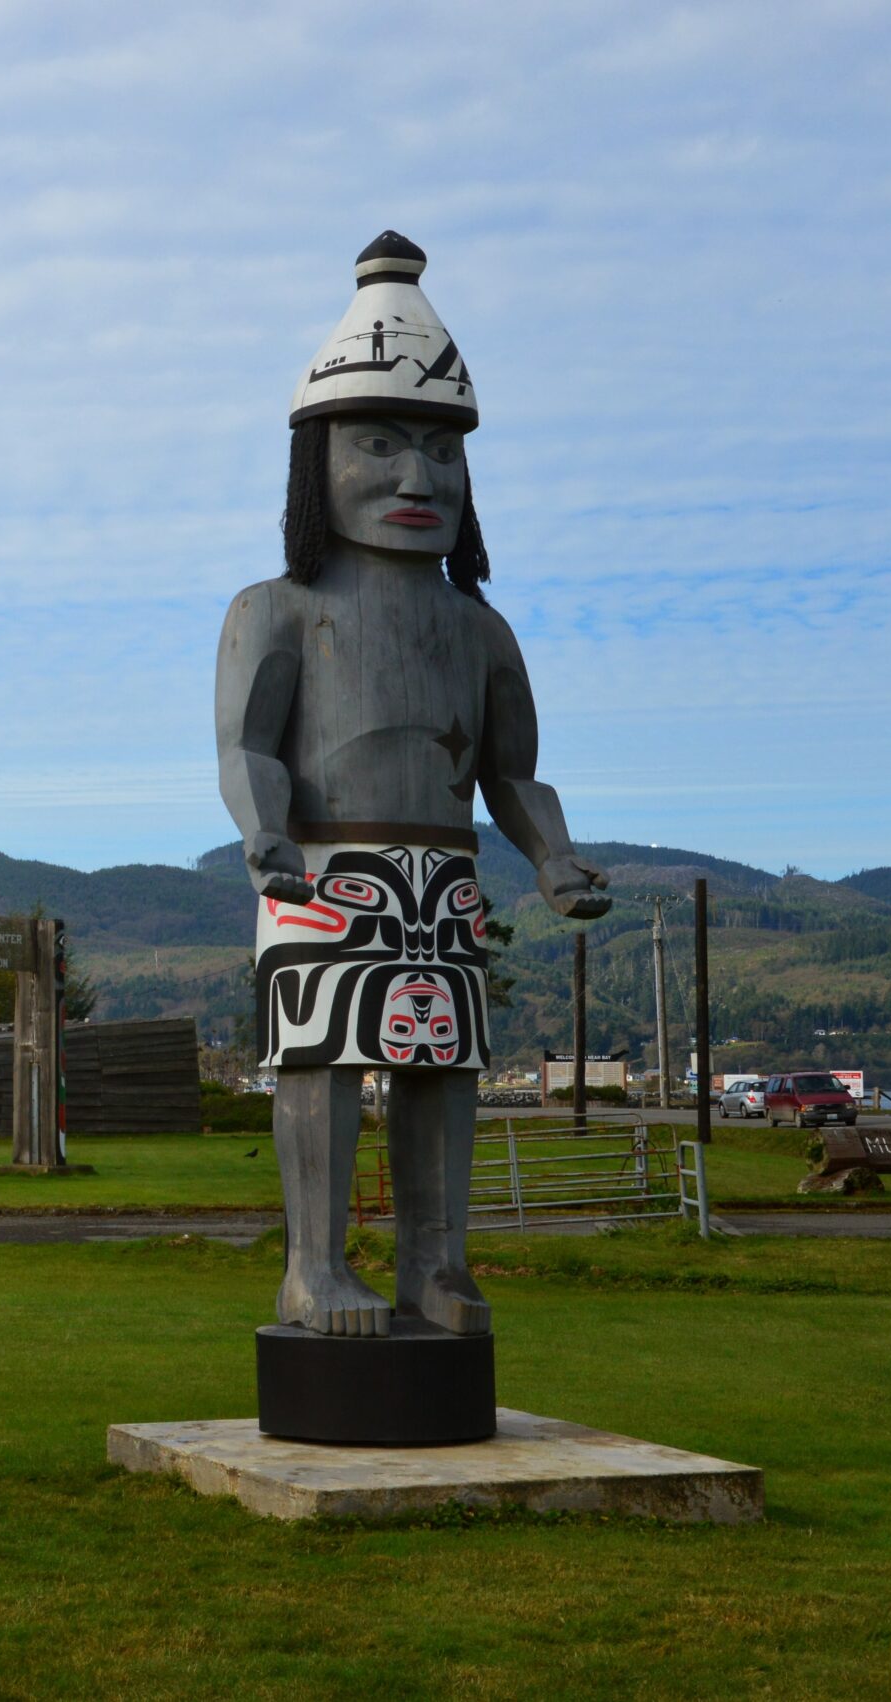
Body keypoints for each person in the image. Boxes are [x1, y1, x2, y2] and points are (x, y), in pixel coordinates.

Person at [215, 232, 609, 1341]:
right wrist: (262, 829)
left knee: (441, 1071)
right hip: (323, 866)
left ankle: (437, 1266)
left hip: (443, 876)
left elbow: (512, 770)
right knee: (324, 1062)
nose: (413, 476)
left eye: (441, 453)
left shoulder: (479, 628)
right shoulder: (273, 609)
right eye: (379, 443)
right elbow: (246, 745)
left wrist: (551, 856)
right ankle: (313, 1268)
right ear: (315, 457)